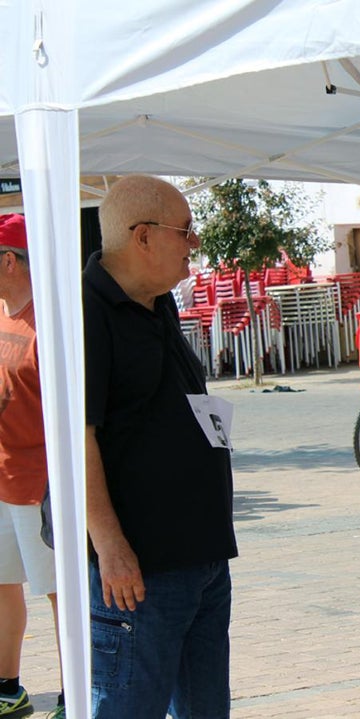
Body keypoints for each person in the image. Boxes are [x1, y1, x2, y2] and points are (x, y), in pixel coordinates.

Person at [85, 175, 237, 718]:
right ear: (143, 236)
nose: (194, 244)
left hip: (201, 556)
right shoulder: (87, 314)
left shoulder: (158, 302)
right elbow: (78, 442)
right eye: (186, 231)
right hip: (140, 574)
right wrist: (110, 546)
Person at [0, 214, 64, 719]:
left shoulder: (46, 322)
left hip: (38, 485)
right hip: (1, 481)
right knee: (3, 585)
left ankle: (74, 692)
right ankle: (8, 687)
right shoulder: (3, 313)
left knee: (58, 594)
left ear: (8, 261)